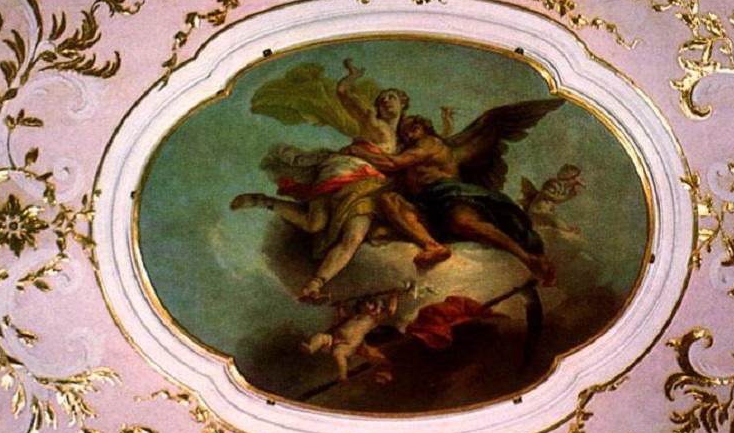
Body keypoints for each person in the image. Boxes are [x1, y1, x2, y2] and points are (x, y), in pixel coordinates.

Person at [231, 59, 416, 302]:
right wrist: (351, 77)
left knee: (346, 236)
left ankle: (314, 285)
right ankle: (262, 201)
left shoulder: (402, 141)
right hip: (342, 172)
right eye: (382, 97)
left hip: (368, 185)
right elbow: (343, 93)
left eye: (391, 97)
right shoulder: (372, 120)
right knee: (314, 224)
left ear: (403, 103)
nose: (386, 100)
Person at [351, 114, 556, 284]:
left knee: (462, 221)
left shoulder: (429, 143)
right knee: (390, 199)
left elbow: (392, 163)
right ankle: (433, 246)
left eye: (413, 129)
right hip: (427, 205)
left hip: (450, 195)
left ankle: (527, 258)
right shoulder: (411, 154)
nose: (409, 135)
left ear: (425, 129)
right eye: (405, 133)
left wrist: (357, 150)